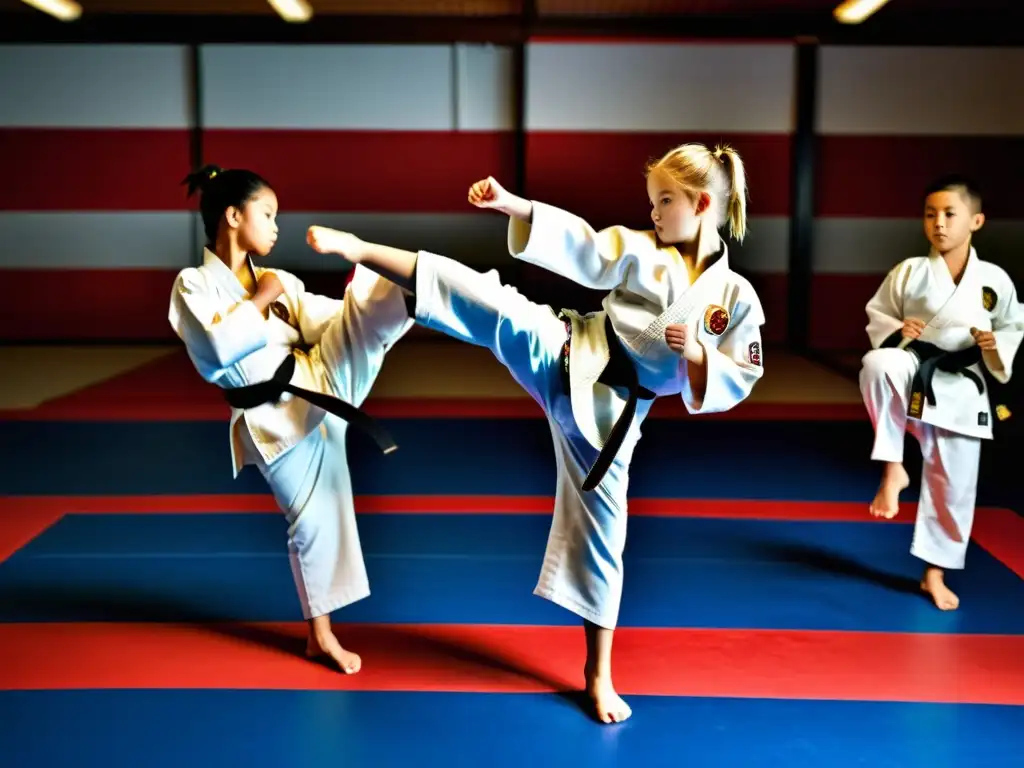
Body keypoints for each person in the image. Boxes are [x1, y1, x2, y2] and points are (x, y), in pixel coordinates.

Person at [305, 142, 766, 723]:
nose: (652, 212)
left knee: (605, 543)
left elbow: (743, 374)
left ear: (701, 204)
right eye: (651, 201)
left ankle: (598, 677)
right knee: (491, 302)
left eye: (664, 201)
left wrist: (700, 350)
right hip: (569, 349)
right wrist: (513, 206)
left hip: (611, 419)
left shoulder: (734, 299)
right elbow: (585, 246)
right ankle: (363, 250)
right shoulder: (641, 249)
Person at [168, 164, 414, 673]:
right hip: (269, 418)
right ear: (233, 216)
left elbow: (324, 321)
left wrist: (345, 304)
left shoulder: (279, 280)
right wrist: (263, 300)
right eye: (269, 214)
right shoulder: (192, 285)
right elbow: (213, 352)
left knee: (363, 313)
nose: (277, 226)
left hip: (316, 380)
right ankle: (320, 636)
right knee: (313, 517)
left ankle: (426, 290)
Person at [859, 174, 1023, 610]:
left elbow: (1011, 325)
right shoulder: (910, 272)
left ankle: (934, 574)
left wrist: (996, 343)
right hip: (916, 372)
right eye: (931, 214)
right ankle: (893, 467)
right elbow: (878, 315)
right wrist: (899, 330)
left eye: (951, 214)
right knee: (878, 363)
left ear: (977, 221)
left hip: (963, 388)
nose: (939, 223)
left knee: (954, 486)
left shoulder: (994, 281)